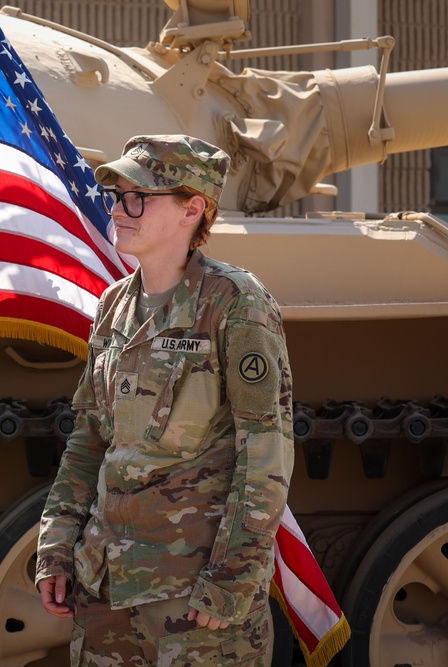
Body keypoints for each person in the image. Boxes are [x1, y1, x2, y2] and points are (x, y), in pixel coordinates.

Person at [36, 135, 294, 665]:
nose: (119, 209)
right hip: (105, 586)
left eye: (139, 197)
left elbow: (265, 456)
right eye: (117, 194)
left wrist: (233, 580)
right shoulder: (114, 305)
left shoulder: (236, 305)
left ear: (192, 209)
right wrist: (56, 547)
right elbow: (88, 441)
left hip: (194, 601)